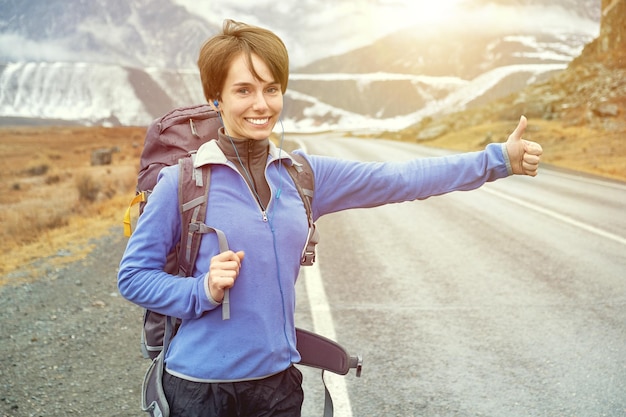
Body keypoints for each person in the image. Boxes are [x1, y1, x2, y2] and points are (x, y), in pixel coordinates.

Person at [118, 19, 542, 417]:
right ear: (217, 99)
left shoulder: (303, 176)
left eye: (271, 89)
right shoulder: (183, 183)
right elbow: (133, 276)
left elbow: (401, 178)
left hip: (277, 387)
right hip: (199, 389)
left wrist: (498, 160)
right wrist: (202, 290)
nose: (261, 105)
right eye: (243, 91)